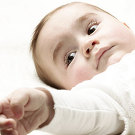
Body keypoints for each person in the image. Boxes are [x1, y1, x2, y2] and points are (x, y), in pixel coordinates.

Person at [1, 1, 135, 135]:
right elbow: (88, 111)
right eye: (70, 57)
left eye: (91, 29)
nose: (86, 44)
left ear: (125, 26)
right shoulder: (111, 91)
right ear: (69, 90)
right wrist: (47, 107)